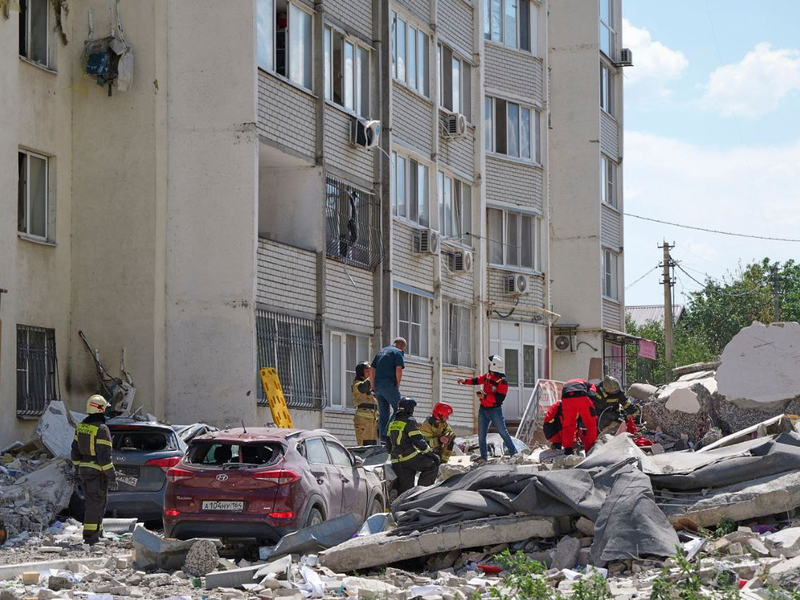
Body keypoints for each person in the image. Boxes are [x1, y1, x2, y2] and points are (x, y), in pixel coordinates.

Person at [71, 395, 117, 544]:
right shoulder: (102, 429)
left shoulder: (81, 427)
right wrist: (112, 475)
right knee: (95, 503)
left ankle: (98, 532)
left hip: (85, 470)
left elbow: (74, 451)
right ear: (101, 409)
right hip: (97, 471)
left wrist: (78, 468)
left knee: (97, 502)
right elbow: (104, 457)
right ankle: (90, 536)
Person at [458, 355, 518, 461]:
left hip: (495, 411)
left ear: (494, 365)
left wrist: (485, 396)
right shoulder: (488, 376)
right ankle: (484, 458)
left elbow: (499, 399)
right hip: (483, 410)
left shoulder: (502, 381)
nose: (488, 365)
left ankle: (515, 454)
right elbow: (477, 380)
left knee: (503, 432)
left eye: (490, 364)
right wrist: (464, 381)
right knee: (481, 436)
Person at [386, 397, 440, 494]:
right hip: (409, 458)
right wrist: (431, 454)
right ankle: (423, 493)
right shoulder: (409, 420)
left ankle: (400, 501)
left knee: (407, 490)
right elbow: (419, 441)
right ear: (410, 409)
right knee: (432, 465)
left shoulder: (393, 422)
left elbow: (388, 445)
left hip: (396, 460)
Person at [371, 337, 406, 442]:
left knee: (384, 412)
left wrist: (372, 386)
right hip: (388, 385)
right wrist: (397, 385)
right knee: (400, 408)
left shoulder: (381, 351)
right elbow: (398, 370)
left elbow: (372, 369)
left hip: (378, 386)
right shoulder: (398, 352)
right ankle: (386, 433)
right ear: (401, 346)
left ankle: (383, 440)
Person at [560, 379, 599, 455]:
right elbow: (592, 389)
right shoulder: (586, 383)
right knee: (591, 424)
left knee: (568, 425)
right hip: (581, 397)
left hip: (566, 399)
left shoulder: (567, 383)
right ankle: (589, 448)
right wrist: (591, 396)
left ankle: (568, 449)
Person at [352, 361, 379, 445]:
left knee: (372, 446)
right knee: (364, 445)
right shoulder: (356, 384)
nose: (369, 372)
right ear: (361, 372)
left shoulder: (371, 386)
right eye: (367, 370)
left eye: (370, 370)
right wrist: (372, 375)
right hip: (363, 422)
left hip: (373, 422)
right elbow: (363, 387)